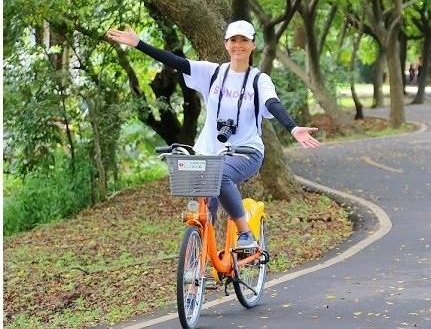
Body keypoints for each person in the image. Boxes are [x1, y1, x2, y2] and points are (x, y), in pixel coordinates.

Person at [106, 21, 321, 249]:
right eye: (233, 40)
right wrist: (138, 43)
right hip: (207, 152)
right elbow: (175, 61)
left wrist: (293, 127)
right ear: (226, 44)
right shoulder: (212, 72)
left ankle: (246, 234)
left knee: (219, 177)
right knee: (202, 207)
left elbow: (272, 103)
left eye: (244, 40)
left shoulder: (259, 80)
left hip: (246, 152)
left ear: (253, 45)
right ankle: (201, 265)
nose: (238, 45)